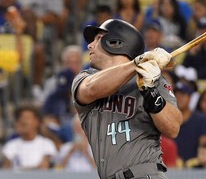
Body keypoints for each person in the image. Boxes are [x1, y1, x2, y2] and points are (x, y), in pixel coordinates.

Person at [71, 19, 183, 179]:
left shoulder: (152, 78)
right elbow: (90, 89)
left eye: (98, 39)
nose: (89, 45)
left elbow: (173, 128)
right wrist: (136, 64)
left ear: (116, 42)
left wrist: (150, 93)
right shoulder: (86, 77)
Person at [1, 104, 57, 169]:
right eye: (20, 118)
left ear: (37, 122)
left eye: (27, 118)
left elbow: (43, 169)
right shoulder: (10, 145)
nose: (23, 121)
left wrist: (19, 170)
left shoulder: (47, 144)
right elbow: (6, 172)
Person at [174, 80, 206, 163]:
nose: (179, 97)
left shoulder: (202, 119)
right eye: (176, 95)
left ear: (190, 97)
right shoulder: (166, 120)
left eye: (183, 94)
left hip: (195, 168)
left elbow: (205, 147)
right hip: (171, 166)